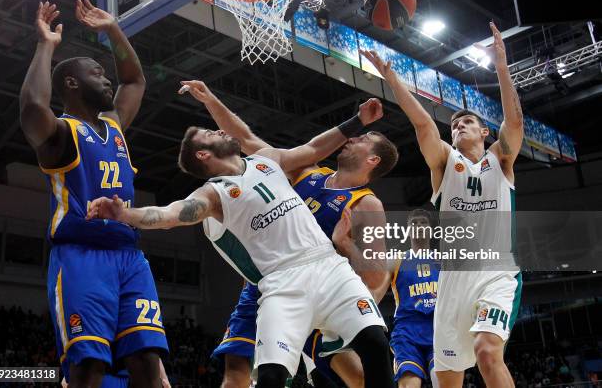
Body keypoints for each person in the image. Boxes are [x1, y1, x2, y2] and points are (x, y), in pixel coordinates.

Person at [86, 102, 396, 388]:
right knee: (270, 376)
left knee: (375, 345)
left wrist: (357, 120)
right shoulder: (216, 193)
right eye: (210, 133)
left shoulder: (277, 164)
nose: (219, 131)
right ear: (204, 155)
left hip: (328, 268)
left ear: (373, 160)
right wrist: (125, 213)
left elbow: (312, 145)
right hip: (278, 281)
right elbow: (170, 214)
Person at [177, 80, 398, 388]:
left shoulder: (367, 203)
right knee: (236, 374)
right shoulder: (305, 171)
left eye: (363, 139)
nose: (353, 139)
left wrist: (344, 245)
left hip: (324, 290)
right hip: (270, 287)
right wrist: (210, 99)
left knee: (360, 376)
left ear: (372, 160)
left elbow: (376, 278)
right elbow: (246, 140)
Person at [361, 21, 523, 388]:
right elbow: (422, 125)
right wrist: (391, 78)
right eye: (454, 125)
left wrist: (501, 66)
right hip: (452, 281)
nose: (459, 126)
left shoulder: (501, 159)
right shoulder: (445, 164)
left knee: (486, 351)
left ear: (484, 132)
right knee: (446, 378)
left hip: (496, 274)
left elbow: (514, 121)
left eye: (467, 122)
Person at [19, 0, 168, 388]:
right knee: (88, 369)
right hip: (81, 257)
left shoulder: (114, 126)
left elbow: (134, 81)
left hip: (130, 257)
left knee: (148, 366)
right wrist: (45, 45)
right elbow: (33, 106)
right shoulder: (61, 134)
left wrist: (114, 30)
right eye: (98, 73)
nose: (107, 80)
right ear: (71, 83)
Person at [388, 209, 439, 388]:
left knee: (442, 380)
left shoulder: (443, 261)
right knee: (410, 384)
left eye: (423, 223)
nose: (418, 226)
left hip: (439, 328)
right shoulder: (396, 260)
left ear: (431, 229)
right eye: (414, 223)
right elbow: (374, 290)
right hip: (407, 330)